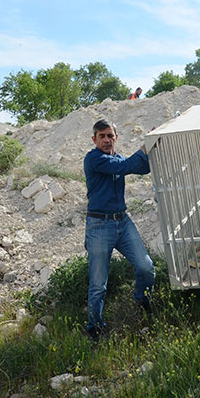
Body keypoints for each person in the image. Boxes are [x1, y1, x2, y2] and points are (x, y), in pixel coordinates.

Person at [83, 119, 155, 341]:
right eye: (101, 136)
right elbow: (124, 167)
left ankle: (141, 299)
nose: (106, 140)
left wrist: (154, 145)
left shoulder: (117, 158)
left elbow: (141, 168)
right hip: (98, 226)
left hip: (122, 223)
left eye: (110, 136)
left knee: (146, 267)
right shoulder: (93, 158)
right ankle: (95, 327)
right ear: (94, 139)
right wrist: (145, 145)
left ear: (116, 137)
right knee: (98, 283)